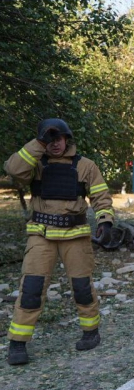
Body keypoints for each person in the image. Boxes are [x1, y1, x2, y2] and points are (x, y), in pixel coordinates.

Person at [4, 118, 114, 366]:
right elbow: (13, 169)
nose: (55, 144)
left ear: (68, 139)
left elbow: (101, 197)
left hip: (75, 236)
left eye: (59, 138)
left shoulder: (85, 166)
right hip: (41, 235)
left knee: (82, 287)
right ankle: (17, 343)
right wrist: (38, 142)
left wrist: (105, 221)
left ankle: (90, 332)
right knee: (31, 288)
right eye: (50, 140)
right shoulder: (35, 164)